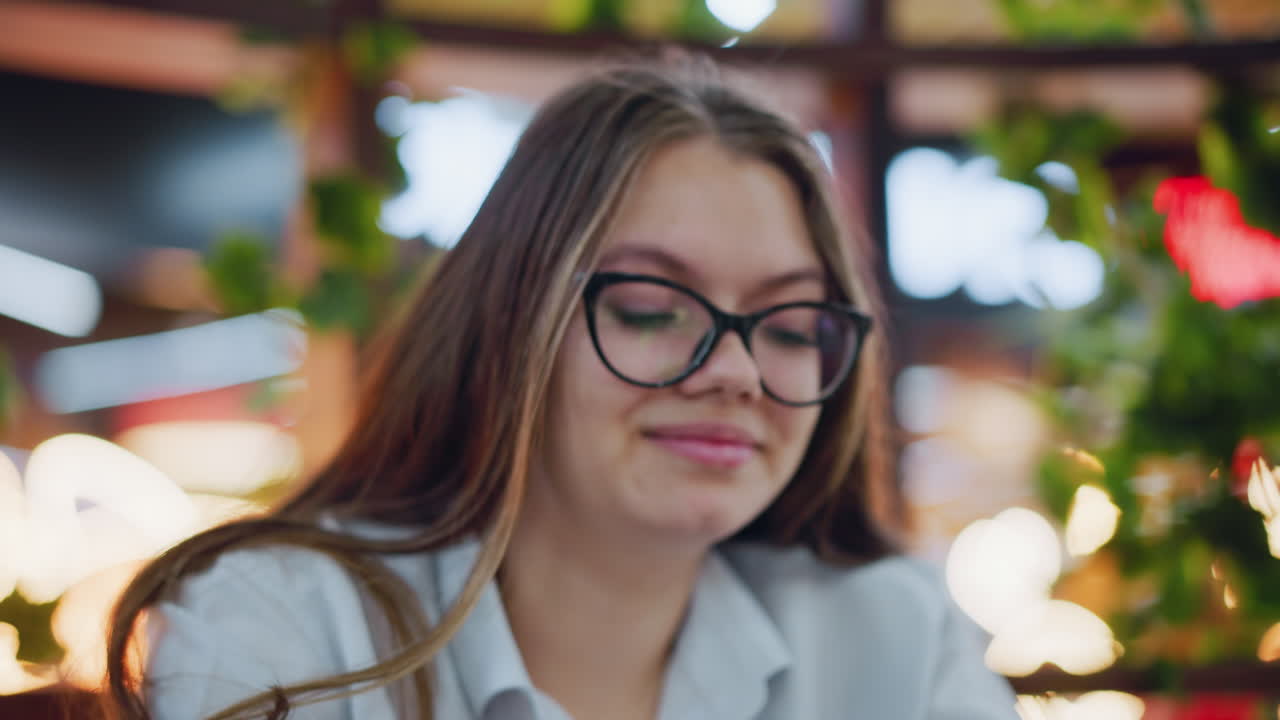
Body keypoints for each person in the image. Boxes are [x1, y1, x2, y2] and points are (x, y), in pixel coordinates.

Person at [104, 57, 1019, 720]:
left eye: (789, 326)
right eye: (653, 309)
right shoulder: (288, 624)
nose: (739, 373)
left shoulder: (898, 635)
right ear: (511, 321)